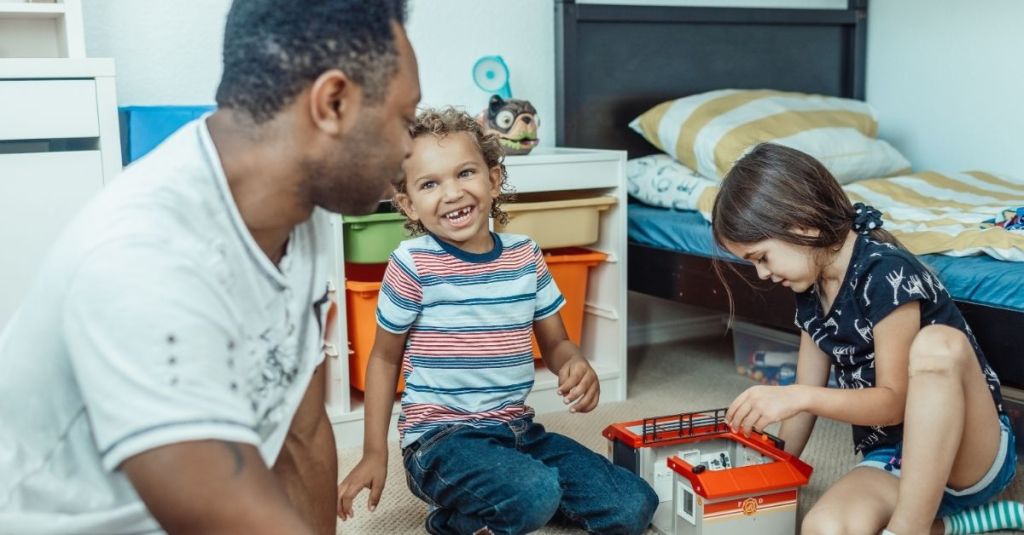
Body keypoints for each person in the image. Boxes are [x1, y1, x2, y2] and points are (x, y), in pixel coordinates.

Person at [0, 1, 420, 533]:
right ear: (332, 103)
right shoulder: (141, 259)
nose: (409, 147)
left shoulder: (298, 208)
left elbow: (302, 433)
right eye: (405, 120)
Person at [337, 107, 658, 535]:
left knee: (634, 504)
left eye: (465, 173)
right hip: (440, 442)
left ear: (493, 179)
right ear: (409, 206)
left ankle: (515, 501)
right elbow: (382, 358)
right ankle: (457, 521)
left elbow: (556, 343)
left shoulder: (525, 255)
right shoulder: (412, 264)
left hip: (518, 432)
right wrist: (374, 451)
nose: (452, 193)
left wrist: (575, 362)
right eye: (430, 184)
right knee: (535, 492)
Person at [714, 143, 1018, 535]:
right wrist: (769, 478)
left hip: (968, 454)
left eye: (762, 257)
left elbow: (892, 403)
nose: (762, 274)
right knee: (823, 528)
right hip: (894, 459)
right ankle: (945, 526)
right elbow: (804, 400)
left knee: (938, 346)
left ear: (802, 225)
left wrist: (796, 396)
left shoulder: (885, 271)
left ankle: (909, 529)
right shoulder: (810, 290)